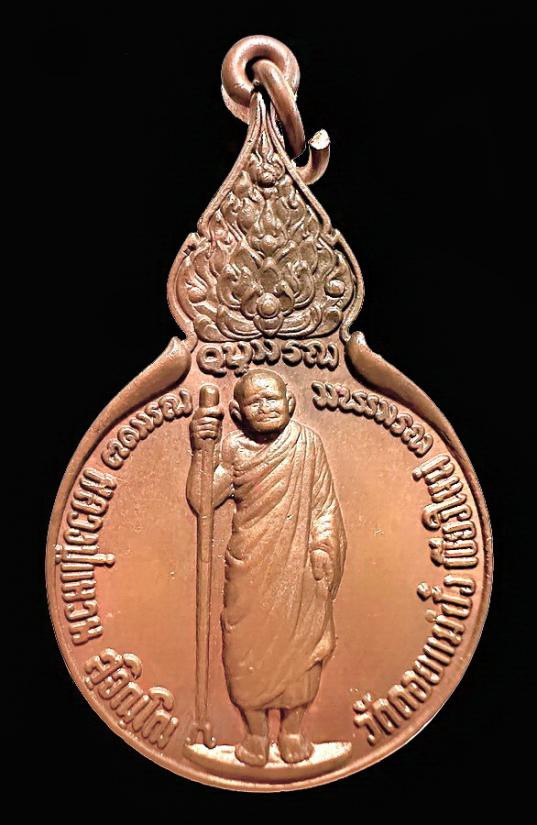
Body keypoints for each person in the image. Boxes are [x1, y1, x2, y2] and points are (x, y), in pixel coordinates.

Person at [187, 368, 346, 766]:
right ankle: (256, 735)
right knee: (244, 646)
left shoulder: (308, 444)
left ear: (290, 403)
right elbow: (203, 501)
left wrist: (323, 547)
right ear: (237, 413)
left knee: (302, 646)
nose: (265, 407)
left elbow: (324, 505)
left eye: (271, 398)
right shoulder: (233, 449)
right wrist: (200, 451)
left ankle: (292, 731)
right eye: (254, 402)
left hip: (300, 567)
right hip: (251, 565)